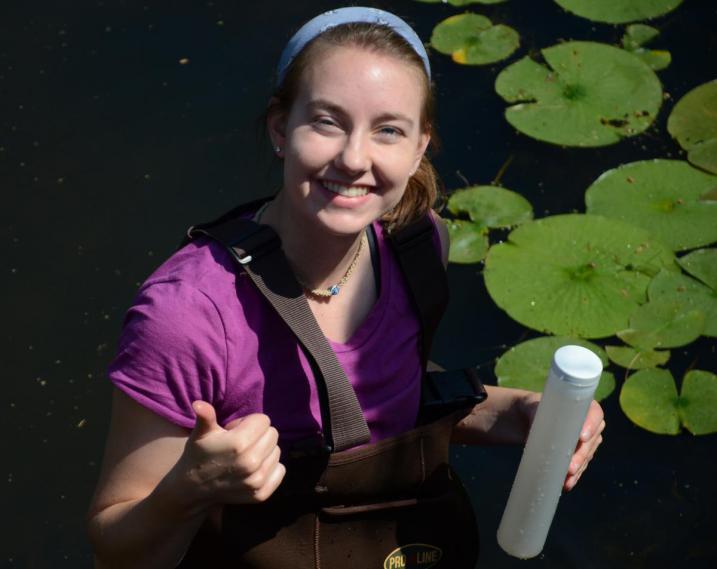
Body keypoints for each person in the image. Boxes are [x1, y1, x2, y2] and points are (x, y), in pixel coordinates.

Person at [87, 7, 605, 568]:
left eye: (388, 130)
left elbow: (386, 404)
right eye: (327, 122)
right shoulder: (187, 316)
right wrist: (192, 487)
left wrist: (519, 414)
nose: (355, 159)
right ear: (280, 129)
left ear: (419, 147)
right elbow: (117, 551)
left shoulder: (415, 246)